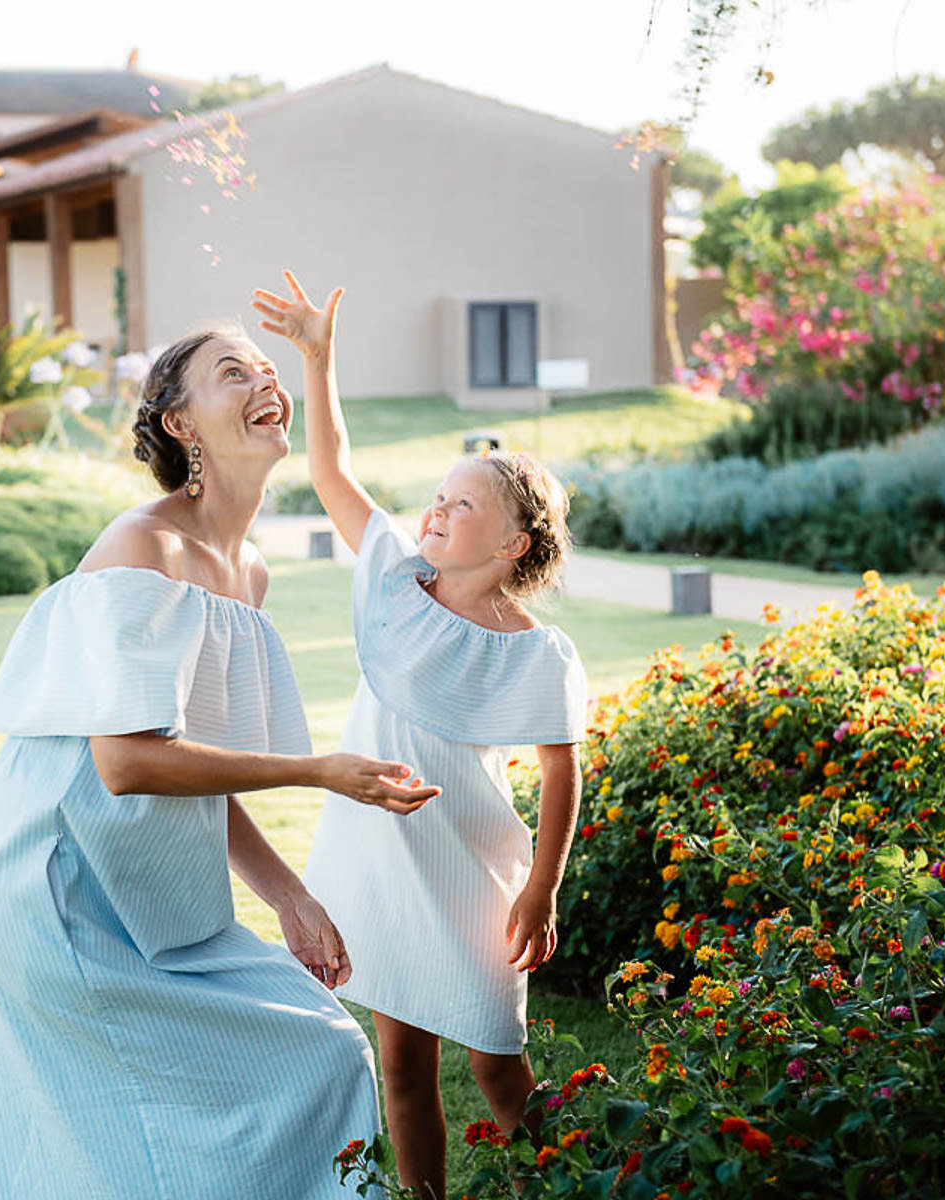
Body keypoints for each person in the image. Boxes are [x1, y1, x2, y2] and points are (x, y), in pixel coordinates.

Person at [0, 325, 441, 1200]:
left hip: (151, 884)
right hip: (56, 883)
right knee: (111, 1140)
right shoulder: (147, 547)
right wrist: (317, 771)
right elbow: (129, 763)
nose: (265, 382)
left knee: (323, 1051)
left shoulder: (247, 574)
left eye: (267, 369)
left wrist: (288, 894)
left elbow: (187, 759)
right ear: (180, 424)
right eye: (232, 373)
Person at [253, 272, 588, 1200]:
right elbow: (332, 474)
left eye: (464, 504)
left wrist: (541, 889)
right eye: (438, 496)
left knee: (497, 1063)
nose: (436, 510)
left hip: (474, 873)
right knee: (400, 1062)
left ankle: (570, 1183)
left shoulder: (537, 655)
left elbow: (560, 777)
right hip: (378, 860)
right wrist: (317, 359)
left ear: (515, 543)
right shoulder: (398, 579)